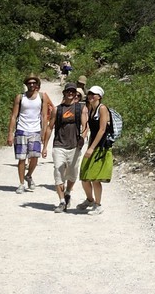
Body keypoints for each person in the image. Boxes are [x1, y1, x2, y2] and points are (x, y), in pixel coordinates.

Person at [7, 74, 52, 192]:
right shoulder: (20, 97)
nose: (31, 85)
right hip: (21, 130)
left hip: (35, 130)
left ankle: (29, 175)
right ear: (26, 84)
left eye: (34, 83)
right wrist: (10, 134)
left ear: (37, 84)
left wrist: (43, 132)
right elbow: (14, 116)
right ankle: (21, 183)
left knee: (34, 157)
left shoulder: (42, 97)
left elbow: (44, 116)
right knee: (22, 158)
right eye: (29, 83)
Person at [49, 83, 87, 212]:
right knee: (58, 172)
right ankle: (61, 201)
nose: (70, 93)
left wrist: (83, 136)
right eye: (68, 91)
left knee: (72, 173)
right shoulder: (57, 110)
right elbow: (50, 127)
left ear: (75, 94)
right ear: (64, 93)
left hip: (74, 145)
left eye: (72, 91)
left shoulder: (80, 109)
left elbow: (85, 125)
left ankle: (68, 193)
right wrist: (44, 146)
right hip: (59, 144)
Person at [78, 84, 114, 214]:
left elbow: (102, 129)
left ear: (99, 96)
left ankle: (98, 205)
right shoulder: (91, 109)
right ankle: (90, 199)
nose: (90, 96)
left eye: (93, 94)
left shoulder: (102, 109)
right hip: (93, 146)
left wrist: (92, 148)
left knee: (95, 178)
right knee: (85, 176)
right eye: (89, 94)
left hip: (101, 148)